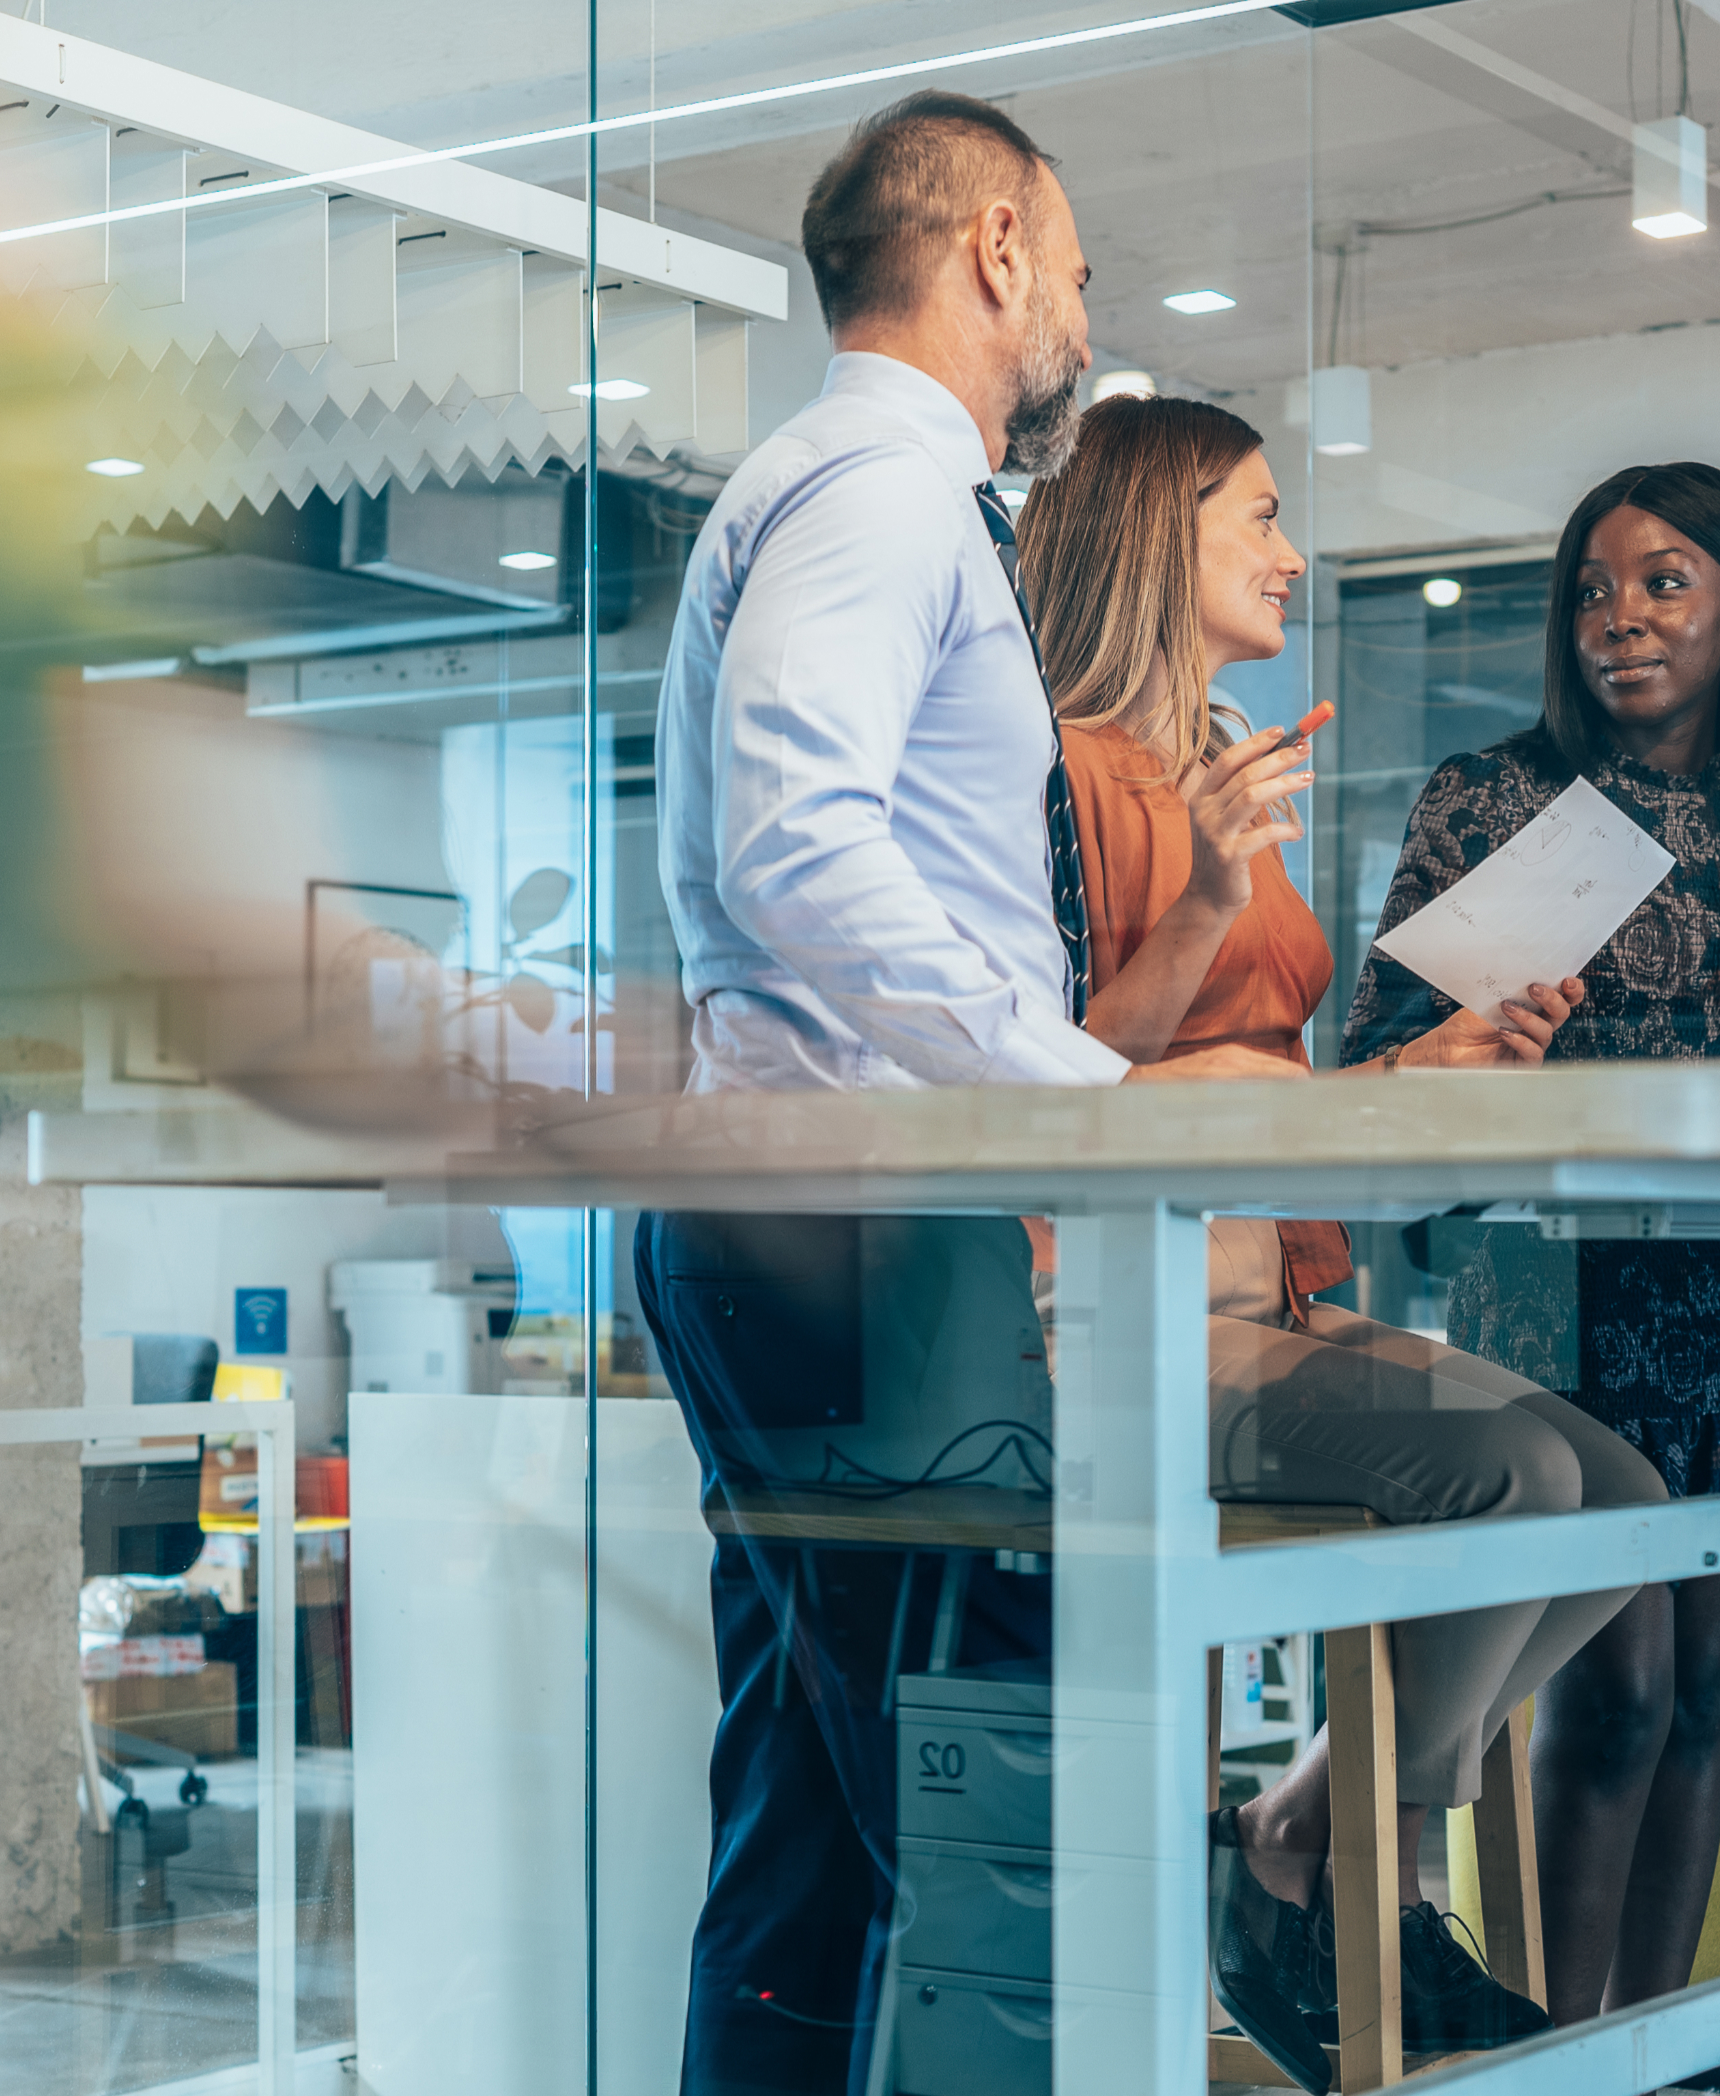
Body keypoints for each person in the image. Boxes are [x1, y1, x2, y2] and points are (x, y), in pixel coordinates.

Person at [1012, 393, 1657, 2084]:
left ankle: (1293, 1833)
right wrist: (1218, 898)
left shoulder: (1208, 759)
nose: (1291, 553)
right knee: (1514, 1481)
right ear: (1159, 541)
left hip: (1280, 1292)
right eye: (1258, 516)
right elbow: (1061, 1073)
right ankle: (1345, 1874)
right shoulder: (1062, 773)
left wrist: (1419, 1065)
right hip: (1133, 1320)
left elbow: (1255, 1075)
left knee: (1625, 1502)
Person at [634, 91, 1124, 2096]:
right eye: (1075, 260)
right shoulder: (881, 493)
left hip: (807, 1222)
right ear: (997, 245)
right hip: (848, 1230)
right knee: (970, 1814)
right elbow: (799, 850)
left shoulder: (831, 483)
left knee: (818, 1834)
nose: (1078, 302)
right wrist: (1085, 1096)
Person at [1343, 461, 1720, 2026]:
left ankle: (1652, 2053)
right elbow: (1380, 1051)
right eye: (1591, 589)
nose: (1619, 620)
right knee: (1614, 1696)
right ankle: (1548, 2055)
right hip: (1552, 1292)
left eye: (1660, 582)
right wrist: (1473, 1038)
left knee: (1703, 1700)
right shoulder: (1487, 797)